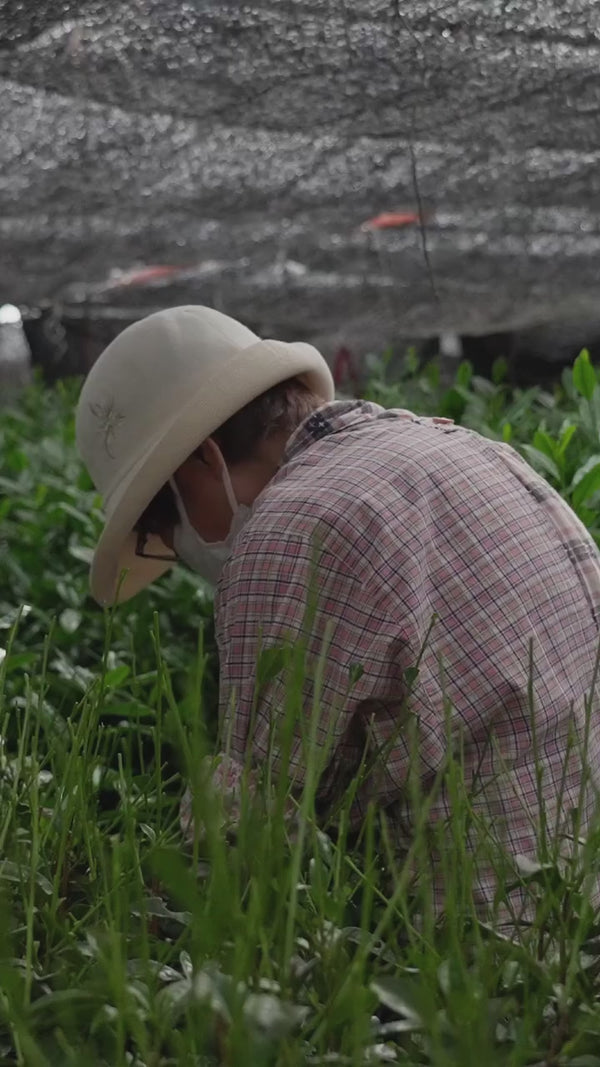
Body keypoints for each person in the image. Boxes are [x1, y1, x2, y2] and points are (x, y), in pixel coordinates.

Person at [76, 305, 600, 917]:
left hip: (483, 937)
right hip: (580, 902)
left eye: (159, 521)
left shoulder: (291, 532)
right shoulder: (467, 447)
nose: (172, 546)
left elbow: (247, 833)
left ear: (204, 458)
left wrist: (123, 901)